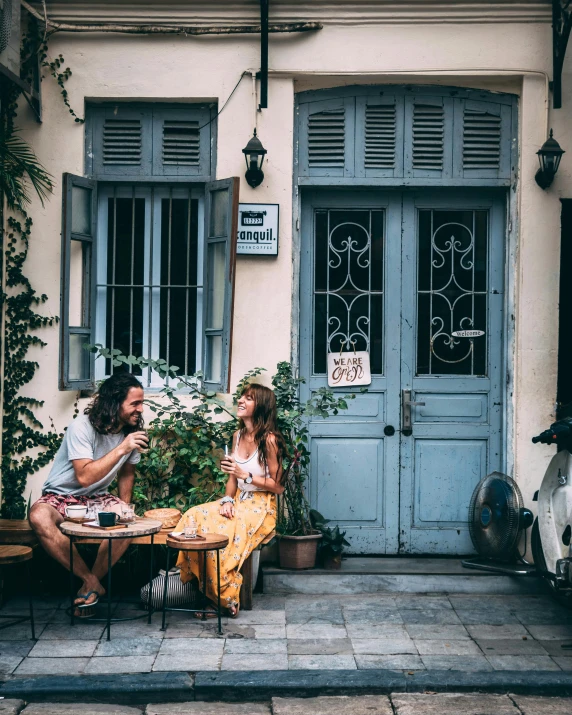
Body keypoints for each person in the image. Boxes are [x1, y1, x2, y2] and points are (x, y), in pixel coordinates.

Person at [29, 373, 148, 613]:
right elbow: (84, 477)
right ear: (114, 403)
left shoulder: (130, 430)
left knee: (129, 521)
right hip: (61, 495)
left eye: (141, 402)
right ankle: (92, 582)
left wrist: (124, 507)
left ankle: (89, 587)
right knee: (38, 516)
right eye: (135, 403)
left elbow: (127, 473)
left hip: (97, 498)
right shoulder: (82, 427)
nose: (141, 409)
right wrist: (122, 448)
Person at [176, 383, 286, 617]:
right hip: (237, 499)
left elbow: (277, 486)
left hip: (261, 504)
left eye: (249, 398)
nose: (241, 401)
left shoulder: (270, 440)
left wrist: (245, 475)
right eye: (241, 397)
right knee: (196, 514)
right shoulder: (237, 436)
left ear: (262, 406)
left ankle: (223, 598)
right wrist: (227, 499)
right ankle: (208, 587)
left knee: (227, 529)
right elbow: (231, 480)